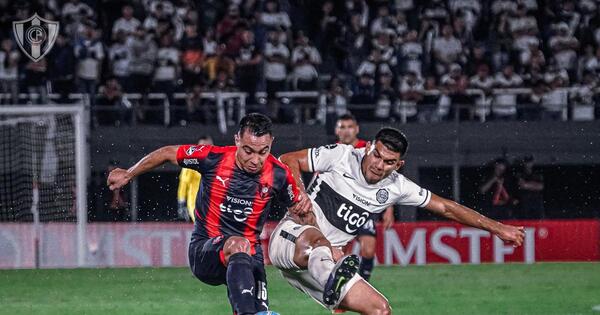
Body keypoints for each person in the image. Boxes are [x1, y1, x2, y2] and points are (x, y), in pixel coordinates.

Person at [269, 127, 525, 314]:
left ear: (399, 164)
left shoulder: (397, 187)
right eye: (377, 155)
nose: (379, 165)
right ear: (368, 147)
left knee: (380, 310)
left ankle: (331, 275)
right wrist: (298, 195)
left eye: (389, 162)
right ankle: (331, 272)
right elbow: (288, 159)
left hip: (326, 265)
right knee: (317, 245)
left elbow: (447, 207)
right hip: (292, 239)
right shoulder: (341, 156)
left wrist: (498, 228)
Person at [107, 113, 305, 315]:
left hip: (249, 256)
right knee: (240, 246)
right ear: (237, 139)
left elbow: (302, 212)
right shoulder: (212, 158)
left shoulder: (279, 174)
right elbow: (168, 153)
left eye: (263, 152)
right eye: (248, 151)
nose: (255, 160)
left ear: (271, 142)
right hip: (205, 251)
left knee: (259, 309)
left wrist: (327, 244)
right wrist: (129, 173)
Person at [334, 114, 395, 283]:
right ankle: (340, 291)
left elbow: (387, 179)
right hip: (338, 209)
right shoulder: (332, 151)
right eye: (342, 127)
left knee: (368, 250)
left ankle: (363, 286)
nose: (346, 131)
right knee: (339, 255)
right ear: (336, 130)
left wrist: (389, 209)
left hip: (364, 208)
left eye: (349, 127)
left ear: (357, 129)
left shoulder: (368, 150)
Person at [177, 135, 213, 221]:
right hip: (196, 204)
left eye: (207, 147)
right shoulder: (192, 162)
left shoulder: (218, 162)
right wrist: (181, 203)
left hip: (214, 204)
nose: (204, 150)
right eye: (202, 147)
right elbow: (184, 183)